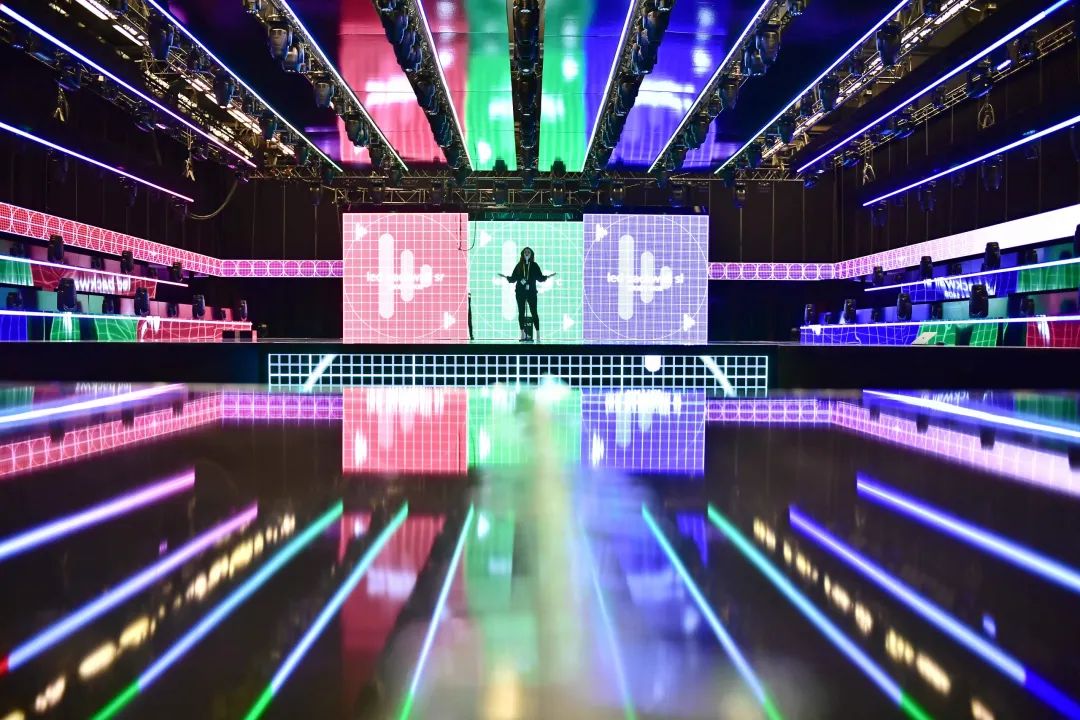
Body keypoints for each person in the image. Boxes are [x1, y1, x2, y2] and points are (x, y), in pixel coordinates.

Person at [498, 247, 556, 341]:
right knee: (521, 312)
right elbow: (513, 278)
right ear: (522, 254)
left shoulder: (534, 265)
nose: (527, 253)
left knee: (534, 312)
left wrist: (548, 277)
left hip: (531, 292)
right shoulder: (519, 265)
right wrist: (505, 277)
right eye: (525, 252)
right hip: (520, 292)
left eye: (529, 252)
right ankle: (522, 334)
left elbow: (540, 278)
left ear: (531, 254)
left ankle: (538, 334)